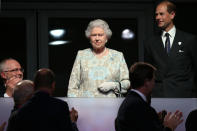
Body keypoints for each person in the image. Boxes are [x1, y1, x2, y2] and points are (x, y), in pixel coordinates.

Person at [144, 0, 197, 97]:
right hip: (159, 95)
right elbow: (148, 72)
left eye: (161, 14)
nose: (158, 17)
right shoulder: (150, 42)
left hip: (184, 95)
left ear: (172, 15)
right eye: (156, 15)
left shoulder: (189, 40)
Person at [68, 19, 130, 97]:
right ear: (89, 38)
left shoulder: (118, 56)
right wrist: (74, 106)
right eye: (94, 35)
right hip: (86, 106)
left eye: (100, 35)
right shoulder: (81, 55)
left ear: (106, 38)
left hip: (111, 106)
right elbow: (72, 87)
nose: (97, 38)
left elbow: (126, 83)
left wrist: (114, 85)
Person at [115, 62, 183, 131]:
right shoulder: (141, 107)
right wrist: (169, 127)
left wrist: (155, 120)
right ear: (147, 82)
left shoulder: (130, 102)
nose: (154, 84)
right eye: (154, 80)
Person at [7, 68, 78, 131]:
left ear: (34, 86)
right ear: (53, 85)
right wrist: (72, 122)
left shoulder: (20, 112)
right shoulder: (61, 107)